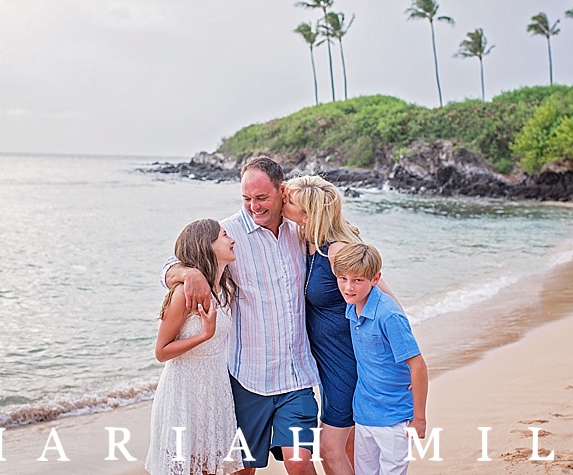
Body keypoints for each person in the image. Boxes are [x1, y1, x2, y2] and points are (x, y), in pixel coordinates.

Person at [162, 157, 319, 475]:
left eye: (262, 198)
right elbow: (168, 266)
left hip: (297, 378)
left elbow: (345, 253)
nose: (254, 206)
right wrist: (187, 272)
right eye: (246, 198)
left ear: (281, 191)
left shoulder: (301, 232)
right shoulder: (228, 234)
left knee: (300, 464)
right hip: (246, 381)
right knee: (241, 471)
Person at [282, 175, 395, 475]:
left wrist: (402, 360)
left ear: (308, 214)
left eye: (290, 200)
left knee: (330, 449)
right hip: (324, 365)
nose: (283, 201)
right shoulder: (301, 242)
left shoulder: (338, 251)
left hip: (347, 365)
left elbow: (388, 303)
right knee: (349, 449)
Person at [146, 218, 242, 475]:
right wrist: (205, 334)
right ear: (207, 246)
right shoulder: (183, 294)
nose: (231, 240)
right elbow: (161, 351)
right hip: (184, 393)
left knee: (210, 467)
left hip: (214, 389)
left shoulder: (224, 289)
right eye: (224, 235)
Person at [333, 242, 428, 475]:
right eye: (342, 278)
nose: (348, 287)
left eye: (357, 280)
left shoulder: (389, 315)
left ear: (375, 279)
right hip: (365, 412)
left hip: (395, 416)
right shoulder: (352, 306)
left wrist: (419, 419)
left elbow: (418, 366)